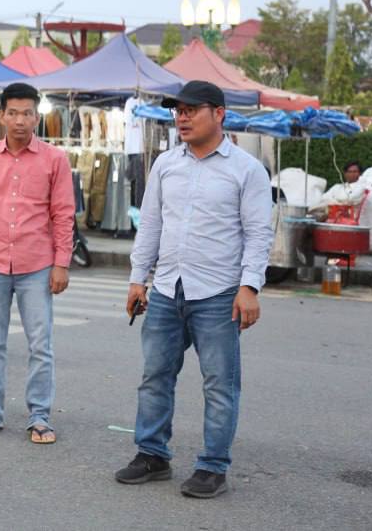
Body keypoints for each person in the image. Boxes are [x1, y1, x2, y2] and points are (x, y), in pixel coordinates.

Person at [116, 81, 272, 499]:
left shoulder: (247, 170)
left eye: (191, 110)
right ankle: (152, 454)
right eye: (178, 111)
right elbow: (151, 224)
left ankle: (212, 466)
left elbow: (259, 233)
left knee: (219, 383)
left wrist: (249, 286)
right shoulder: (166, 164)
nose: (182, 118)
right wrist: (138, 278)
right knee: (155, 375)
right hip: (168, 287)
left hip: (219, 293)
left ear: (219, 114)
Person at [0, 82, 74, 445]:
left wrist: (62, 263)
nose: (20, 120)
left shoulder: (55, 160)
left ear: (37, 117)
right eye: (14, 113)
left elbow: (63, 214)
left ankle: (39, 416)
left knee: (40, 344)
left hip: (37, 265)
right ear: (2, 116)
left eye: (27, 113)